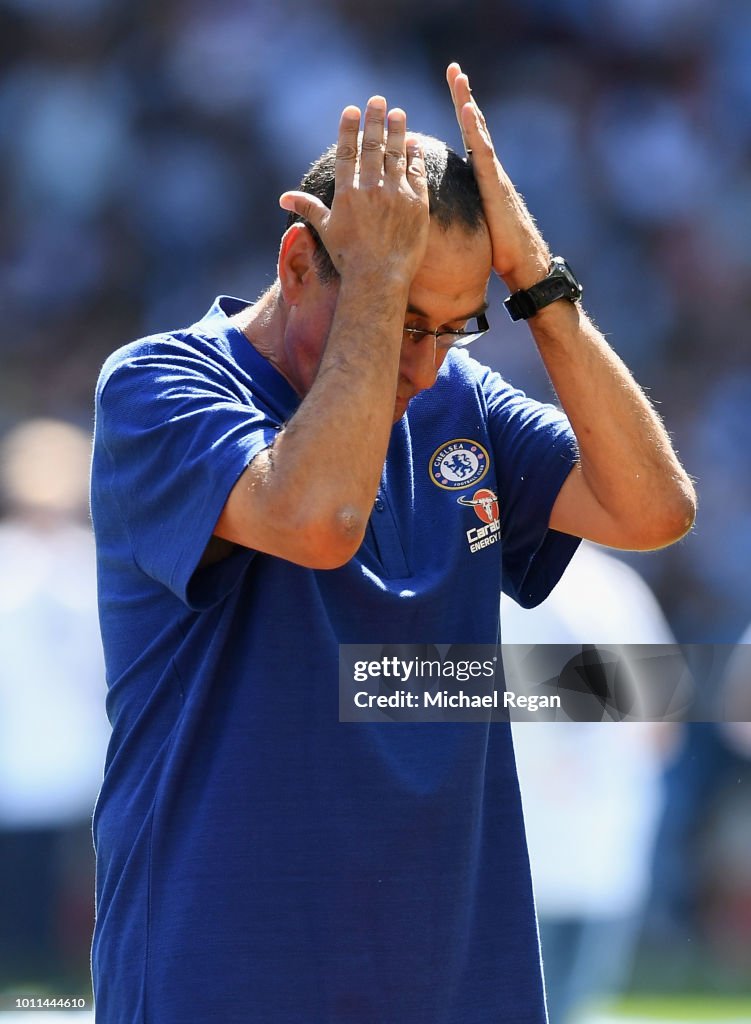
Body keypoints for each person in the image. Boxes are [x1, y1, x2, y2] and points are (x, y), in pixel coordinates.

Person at [89, 64, 696, 1023]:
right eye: (406, 320)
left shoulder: (463, 400)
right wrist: (376, 276)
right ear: (298, 263)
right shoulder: (159, 385)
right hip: (226, 970)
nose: (423, 363)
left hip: (458, 977)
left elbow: (653, 510)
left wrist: (535, 281)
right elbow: (317, 521)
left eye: (454, 328)